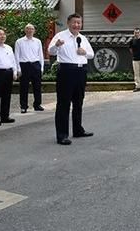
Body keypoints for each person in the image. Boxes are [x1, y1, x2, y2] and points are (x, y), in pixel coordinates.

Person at [48, 13, 95, 145]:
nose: (76, 25)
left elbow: (91, 54)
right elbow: (50, 51)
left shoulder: (82, 38)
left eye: (79, 23)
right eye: (74, 22)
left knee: (78, 102)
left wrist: (84, 52)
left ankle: (78, 129)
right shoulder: (60, 36)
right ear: (68, 23)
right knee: (64, 103)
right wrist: (56, 45)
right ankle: (62, 135)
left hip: (81, 71)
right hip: (66, 71)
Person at [15, 23, 45, 113]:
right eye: (28, 29)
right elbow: (16, 56)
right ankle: (23, 106)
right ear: (25, 30)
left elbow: (41, 55)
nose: (30, 30)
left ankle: (37, 104)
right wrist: (18, 69)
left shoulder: (37, 41)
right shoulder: (19, 41)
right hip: (24, 65)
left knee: (37, 86)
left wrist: (41, 67)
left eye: (31, 29)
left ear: (34, 31)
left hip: (35, 65)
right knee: (24, 87)